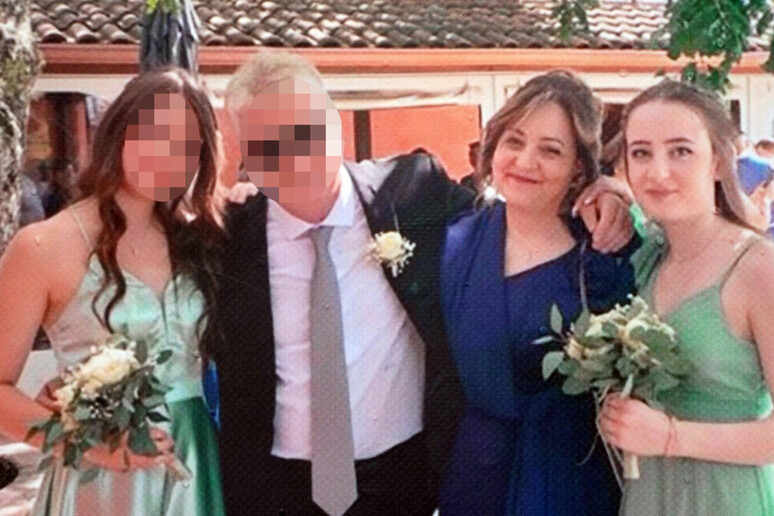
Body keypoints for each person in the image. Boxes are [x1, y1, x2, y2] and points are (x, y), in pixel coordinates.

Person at [212, 51, 633, 515]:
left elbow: (523, 213)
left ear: (333, 122)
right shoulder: (227, 238)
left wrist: (609, 194)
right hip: (276, 491)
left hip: (403, 483)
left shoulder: (413, 192)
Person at [0, 68, 225, 515]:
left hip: (195, 463)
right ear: (119, 133)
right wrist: (90, 444)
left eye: (187, 144)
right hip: (99, 485)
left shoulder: (202, 241)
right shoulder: (43, 246)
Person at [439, 71, 634, 515]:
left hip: (570, 481)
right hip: (475, 477)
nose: (525, 162)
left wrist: (618, 196)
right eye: (515, 141)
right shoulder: (455, 242)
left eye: (551, 150)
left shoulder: (602, 257)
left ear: (578, 167)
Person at [599, 79, 774, 515]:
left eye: (680, 151)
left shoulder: (758, 268)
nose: (658, 172)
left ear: (717, 161)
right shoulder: (647, 257)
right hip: (649, 496)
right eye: (641, 153)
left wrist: (670, 437)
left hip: (727, 499)